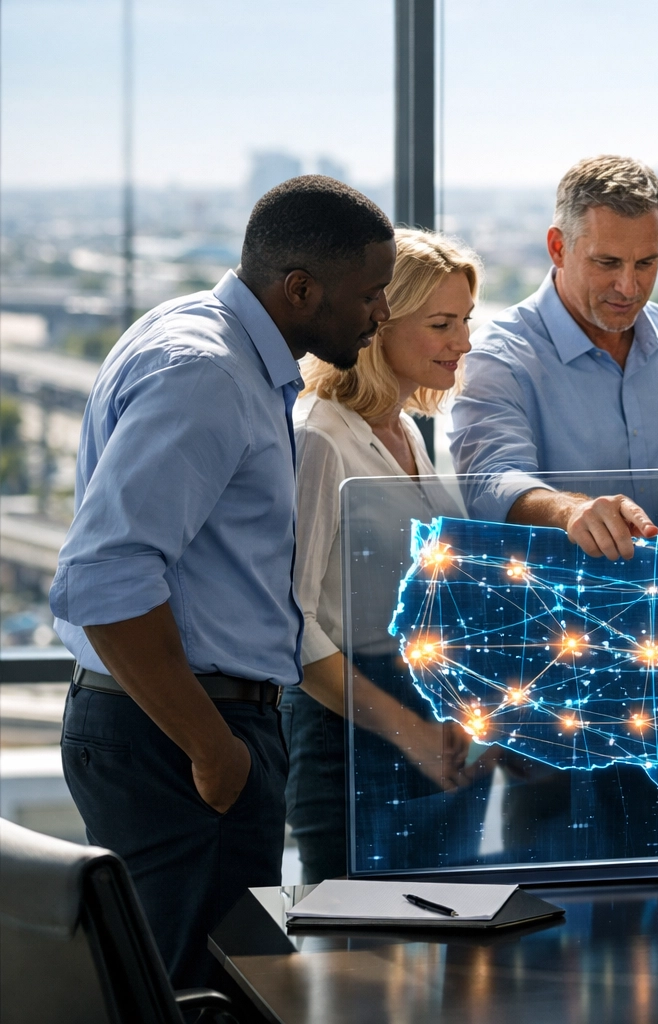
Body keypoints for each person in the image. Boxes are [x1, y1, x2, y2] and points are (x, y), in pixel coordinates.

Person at [49, 176, 395, 986]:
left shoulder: (211, 344)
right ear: (300, 289)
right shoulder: (206, 372)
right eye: (370, 294)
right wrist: (213, 750)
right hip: (179, 736)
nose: (381, 313)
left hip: (178, 726)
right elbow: (105, 576)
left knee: (211, 991)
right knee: (203, 997)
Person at [283, 228, 488, 882]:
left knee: (441, 953)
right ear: (380, 321)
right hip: (351, 728)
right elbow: (294, 623)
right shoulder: (319, 437)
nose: (463, 342)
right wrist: (411, 732)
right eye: (441, 323)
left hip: (429, 722)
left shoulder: (404, 432)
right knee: (363, 968)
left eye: (465, 321)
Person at [450, 155, 658, 553]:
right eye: (607, 262)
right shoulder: (498, 357)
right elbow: (491, 482)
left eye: (646, 263)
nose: (629, 286)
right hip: (558, 611)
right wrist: (569, 511)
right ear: (558, 247)